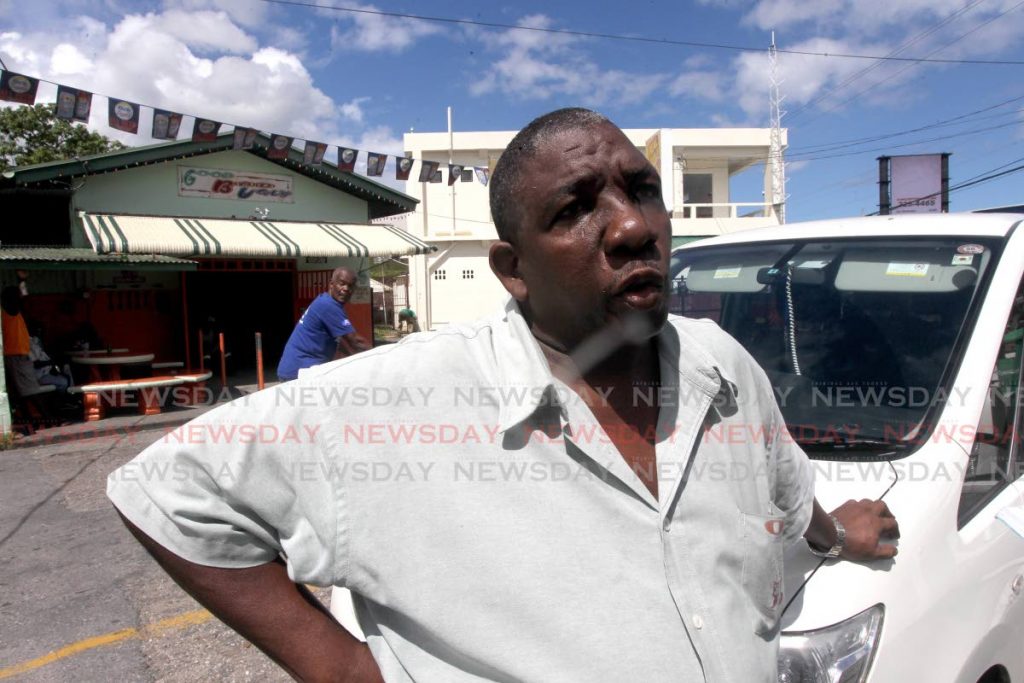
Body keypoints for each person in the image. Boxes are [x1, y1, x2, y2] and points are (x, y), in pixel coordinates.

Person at [107, 109, 898, 682]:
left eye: (641, 190)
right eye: (576, 208)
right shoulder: (409, 400)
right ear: (513, 269)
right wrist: (342, 667)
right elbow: (172, 488)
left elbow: (783, 491)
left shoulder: (721, 364)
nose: (630, 227)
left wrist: (838, 535)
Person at [276, 267, 369, 381]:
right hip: (298, 373)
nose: (346, 289)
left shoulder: (328, 302)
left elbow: (343, 342)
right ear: (331, 284)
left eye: (350, 286)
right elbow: (355, 340)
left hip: (300, 369)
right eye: (342, 284)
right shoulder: (328, 305)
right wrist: (383, 354)